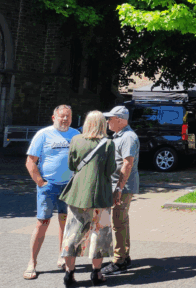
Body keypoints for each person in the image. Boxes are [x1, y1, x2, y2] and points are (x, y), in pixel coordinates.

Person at [59, 111, 116, 286]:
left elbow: (71, 164)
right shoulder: (108, 144)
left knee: (72, 234)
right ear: (102, 125)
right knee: (99, 234)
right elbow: (110, 170)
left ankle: (69, 274)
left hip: (77, 194)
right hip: (100, 194)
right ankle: (96, 274)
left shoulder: (76, 140)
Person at [24, 105, 80, 280]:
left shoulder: (76, 135)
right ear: (53, 117)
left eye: (68, 117)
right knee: (42, 223)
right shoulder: (43, 134)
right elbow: (30, 161)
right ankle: (32, 262)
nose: (65, 119)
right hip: (49, 187)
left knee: (66, 223)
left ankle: (63, 256)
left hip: (69, 187)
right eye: (62, 116)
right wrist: (41, 182)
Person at [100, 106, 140, 276]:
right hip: (118, 186)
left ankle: (119, 261)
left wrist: (119, 188)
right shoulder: (120, 136)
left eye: (110, 118)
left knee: (118, 223)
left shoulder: (128, 137)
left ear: (120, 120)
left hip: (122, 188)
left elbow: (127, 164)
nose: (107, 121)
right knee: (120, 222)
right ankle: (124, 256)